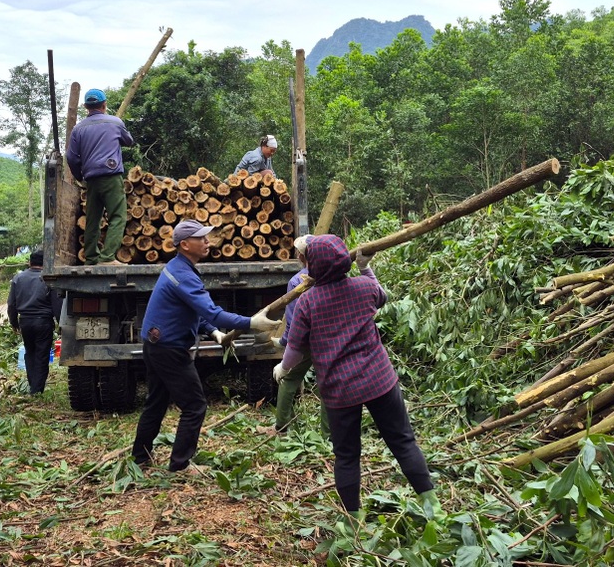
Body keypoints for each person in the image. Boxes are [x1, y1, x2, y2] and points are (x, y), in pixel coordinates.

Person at [273, 235, 440, 520]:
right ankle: (432, 505)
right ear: (344, 260)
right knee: (403, 442)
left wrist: (283, 369)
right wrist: (365, 268)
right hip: (379, 380)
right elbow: (382, 295)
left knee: (347, 456)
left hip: (340, 391)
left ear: (311, 266)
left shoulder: (307, 303)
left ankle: (354, 520)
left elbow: (295, 351)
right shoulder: (364, 288)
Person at [131, 219, 281, 473]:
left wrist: (214, 333)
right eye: (202, 238)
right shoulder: (182, 274)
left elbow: (196, 313)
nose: (208, 242)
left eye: (206, 237)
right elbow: (213, 312)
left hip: (156, 344)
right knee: (195, 405)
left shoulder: (178, 268)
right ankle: (180, 464)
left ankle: (140, 458)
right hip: (168, 349)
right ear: (185, 244)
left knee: (156, 402)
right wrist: (251, 322)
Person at [258, 235, 330, 437]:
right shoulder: (332, 276)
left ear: (300, 256)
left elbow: (293, 320)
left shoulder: (297, 281)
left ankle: (281, 427)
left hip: (306, 341)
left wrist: (283, 343)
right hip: (329, 340)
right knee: (326, 384)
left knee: (288, 379)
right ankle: (328, 435)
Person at [65, 88, 135, 266]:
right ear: (104, 105)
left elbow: (72, 157)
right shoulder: (115, 122)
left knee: (93, 219)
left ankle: (90, 257)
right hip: (111, 176)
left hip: (91, 179)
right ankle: (107, 258)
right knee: (117, 216)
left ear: (86, 107)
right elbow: (129, 141)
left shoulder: (78, 129)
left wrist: (80, 176)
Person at [7, 250, 61, 394]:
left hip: (25, 322)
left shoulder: (18, 278)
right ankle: (37, 390)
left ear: (29, 262)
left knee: (30, 353)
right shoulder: (48, 279)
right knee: (42, 355)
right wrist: (61, 323)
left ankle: (33, 386)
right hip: (43, 322)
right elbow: (56, 304)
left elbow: (11, 304)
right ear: (45, 263)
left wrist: (14, 323)